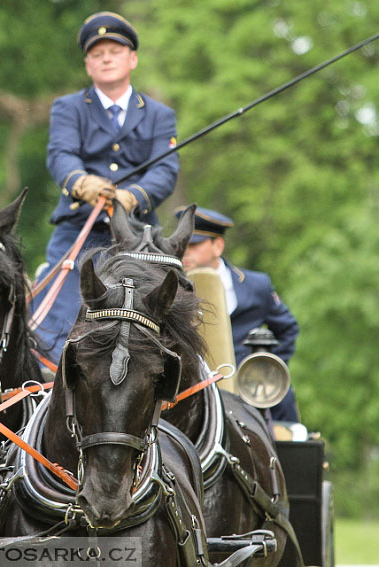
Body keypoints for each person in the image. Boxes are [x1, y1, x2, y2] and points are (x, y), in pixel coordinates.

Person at [31, 11, 180, 362]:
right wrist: (82, 184)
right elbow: (60, 154)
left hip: (140, 234)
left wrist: (132, 197)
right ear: (87, 65)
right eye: (98, 54)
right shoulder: (67, 108)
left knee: (169, 315)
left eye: (114, 51)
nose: (106, 59)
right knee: (57, 319)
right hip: (79, 229)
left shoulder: (160, 115)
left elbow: (165, 169)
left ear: (133, 59)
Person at [177, 206, 301, 422]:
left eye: (194, 245)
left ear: (218, 246)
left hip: (248, 389)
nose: (185, 251)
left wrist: (266, 370)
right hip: (189, 388)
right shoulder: (171, 288)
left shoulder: (256, 285)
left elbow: (287, 329)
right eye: (182, 245)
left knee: (284, 404)